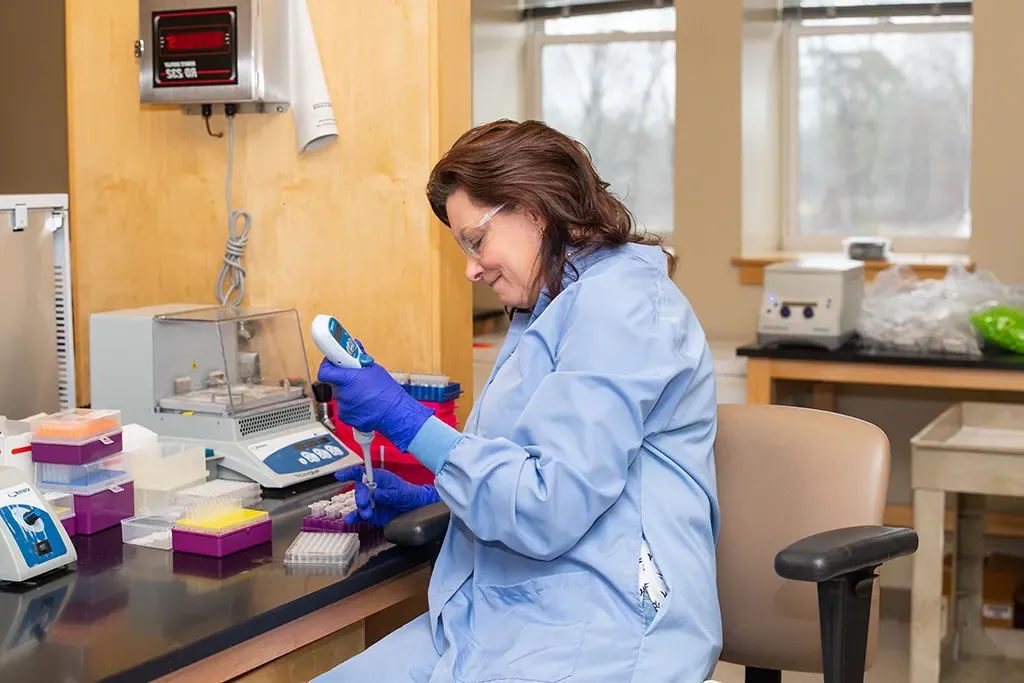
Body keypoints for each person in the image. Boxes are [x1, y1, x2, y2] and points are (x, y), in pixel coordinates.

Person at [313, 119, 721, 683]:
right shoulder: (552, 306)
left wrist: (405, 422)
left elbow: (547, 505)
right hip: (505, 612)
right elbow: (527, 463)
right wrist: (438, 493)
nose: (471, 269)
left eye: (476, 242)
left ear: (535, 211)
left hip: (601, 626)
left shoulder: (623, 307)